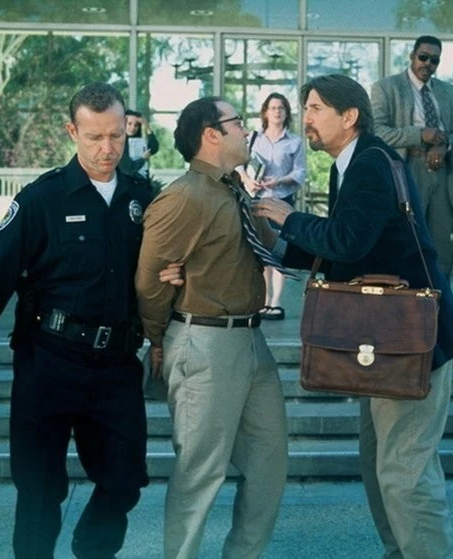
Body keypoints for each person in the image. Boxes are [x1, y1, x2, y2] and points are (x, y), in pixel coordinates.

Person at [0, 82, 183, 559]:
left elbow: (161, 272)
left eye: (116, 136)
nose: (107, 149)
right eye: (95, 137)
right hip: (48, 361)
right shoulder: (42, 199)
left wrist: (171, 285)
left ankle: (91, 551)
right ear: (72, 132)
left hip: (116, 364)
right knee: (39, 491)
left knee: (125, 480)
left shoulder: (143, 199)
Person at [254, 74, 453, 559]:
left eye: (315, 108)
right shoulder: (352, 163)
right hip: (391, 341)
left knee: (405, 475)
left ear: (349, 116)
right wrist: (277, 246)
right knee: (381, 468)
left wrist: (288, 219)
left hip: (415, 344)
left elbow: (347, 240)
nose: (306, 118)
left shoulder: (371, 163)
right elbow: (350, 251)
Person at [135, 97, 288, 559]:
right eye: (237, 122)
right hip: (204, 341)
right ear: (211, 135)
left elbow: (269, 248)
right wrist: (156, 339)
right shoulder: (184, 196)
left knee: (268, 465)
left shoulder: (234, 188)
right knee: (200, 474)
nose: (247, 129)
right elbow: (150, 278)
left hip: (251, 340)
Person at [371, 35, 453, 278]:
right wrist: (419, 135)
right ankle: (407, 299)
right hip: (407, 170)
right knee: (406, 242)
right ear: (412, 56)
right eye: (423, 57)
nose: (427, 64)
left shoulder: (448, 91)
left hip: (443, 172)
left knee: (441, 249)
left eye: (434, 60)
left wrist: (446, 145)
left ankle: (440, 299)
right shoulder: (386, 87)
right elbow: (377, 131)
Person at [238, 92, 306, 320]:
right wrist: (248, 180)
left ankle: (276, 302)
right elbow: (239, 164)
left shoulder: (294, 142)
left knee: (278, 248)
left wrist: (279, 180)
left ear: (286, 113)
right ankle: (264, 299)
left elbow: (300, 172)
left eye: (281, 108)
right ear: (265, 112)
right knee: (261, 248)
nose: (277, 111)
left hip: (281, 201)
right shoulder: (254, 139)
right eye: (273, 107)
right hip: (257, 199)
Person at [118, 108, 159, 190]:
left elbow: (154, 148)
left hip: (143, 187)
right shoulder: (119, 143)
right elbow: (128, 169)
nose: (133, 128)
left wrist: (147, 126)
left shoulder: (139, 142)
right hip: (128, 188)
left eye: (136, 125)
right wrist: (143, 159)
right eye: (129, 124)